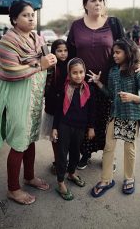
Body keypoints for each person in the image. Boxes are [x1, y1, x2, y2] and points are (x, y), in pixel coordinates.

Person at [0, 0, 57, 205]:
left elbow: (44, 60)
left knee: (30, 137)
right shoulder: (8, 40)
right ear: (14, 19)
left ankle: (29, 176)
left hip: (34, 94)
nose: (31, 18)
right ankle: (13, 188)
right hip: (18, 95)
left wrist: (48, 62)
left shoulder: (36, 38)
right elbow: (12, 71)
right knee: (19, 141)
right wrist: (39, 64)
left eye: (33, 14)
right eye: (25, 15)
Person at [67, 0, 125, 170]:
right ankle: (85, 154)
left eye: (101, 0)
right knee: (83, 120)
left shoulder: (113, 23)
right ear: (85, 4)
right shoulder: (76, 26)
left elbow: (125, 49)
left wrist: (135, 65)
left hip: (108, 82)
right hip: (81, 81)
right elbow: (70, 53)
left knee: (107, 120)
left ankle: (109, 156)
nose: (97, 3)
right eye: (93, 0)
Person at [89, 38, 140, 197]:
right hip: (115, 115)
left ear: (127, 52)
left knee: (129, 149)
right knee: (109, 147)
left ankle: (129, 178)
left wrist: (133, 97)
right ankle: (106, 179)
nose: (114, 55)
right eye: (113, 52)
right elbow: (110, 94)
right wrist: (98, 83)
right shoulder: (113, 71)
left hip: (132, 116)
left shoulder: (137, 72)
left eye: (118, 52)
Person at [52, 58, 95, 200]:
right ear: (69, 74)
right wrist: (55, 128)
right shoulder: (64, 89)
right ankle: (60, 182)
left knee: (76, 153)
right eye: (74, 73)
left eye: (81, 72)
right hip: (65, 126)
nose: (79, 75)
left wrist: (91, 127)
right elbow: (58, 110)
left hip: (80, 127)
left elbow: (90, 111)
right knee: (62, 154)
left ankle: (71, 173)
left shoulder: (88, 89)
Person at [40, 39, 68, 174]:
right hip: (53, 107)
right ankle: (58, 162)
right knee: (55, 137)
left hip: (66, 108)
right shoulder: (51, 67)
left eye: (65, 51)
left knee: (65, 137)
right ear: (53, 52)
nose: (63, 54)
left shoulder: (70, 66)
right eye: (59, 51)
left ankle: (64, 161)